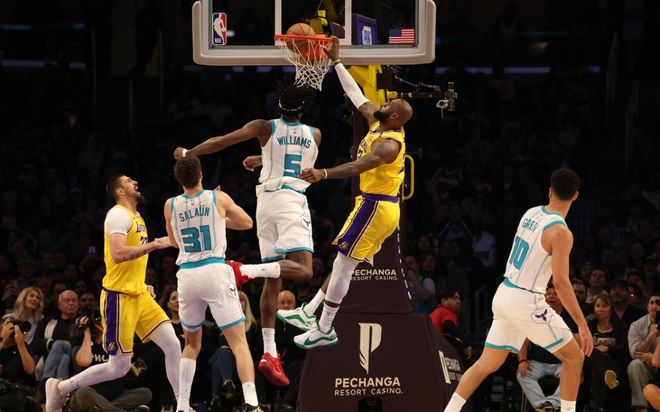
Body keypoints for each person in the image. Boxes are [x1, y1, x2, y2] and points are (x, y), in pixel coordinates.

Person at [173, 81, 320, 387]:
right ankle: (243, 270)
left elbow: (222, 142)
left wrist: (189, 153)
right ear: (305, 109)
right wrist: (266, 158)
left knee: (274, 277)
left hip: (265, 202)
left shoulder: (264, 127)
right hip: (291, 201)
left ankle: (269, 352)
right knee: (304, 271)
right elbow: (300, 168)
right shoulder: (315, 134)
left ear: (279, 105)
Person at [286, 36, 414, 349]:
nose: (381, 105)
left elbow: (359, 165)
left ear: (395, 117)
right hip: (373, 205)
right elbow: (356, 95)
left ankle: (324, 327)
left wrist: (324, 173)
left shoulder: (390, 144)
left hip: (377, 207)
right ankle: (309, 312)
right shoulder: (377, 124)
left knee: (343, 265)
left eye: (387, 106)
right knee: (343, 263)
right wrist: (336, 62)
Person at [443, 168, 593, 412]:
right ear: (576, 195)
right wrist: (582, 325)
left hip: (505, 292)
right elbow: (561, 283)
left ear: (550, 191)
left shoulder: (531, 213)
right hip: (526, 299)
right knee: (574, 357)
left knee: (486, 363)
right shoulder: (561, 232)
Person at [45, 174, 181, 412]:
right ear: (120, 191)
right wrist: (154, 245)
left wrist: (142, 282)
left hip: (139, 294)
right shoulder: (117, 214)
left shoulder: (137, 216)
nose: (135, 181)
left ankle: (183, 404)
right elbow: (118, 254)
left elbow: (132, 263)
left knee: (172, 344)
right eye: (129, 180)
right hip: (119, 297)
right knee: (119, 367)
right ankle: (62, 388)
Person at [164, 154, 262, 412]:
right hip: (214, 270)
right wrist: (219, 218)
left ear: (179, 180)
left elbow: (173, 242)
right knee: (238, 341)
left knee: (191, 344)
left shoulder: (170, 205)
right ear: (201, 175)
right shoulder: (218, 198)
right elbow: (246, 223)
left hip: (187, 274)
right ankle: (252, 402)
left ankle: (182, 405)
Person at [67, 309, 151, 412]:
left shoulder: (118, 344)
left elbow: (128, 364)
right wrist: (86, 332)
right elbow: (84, 361)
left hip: (113, 396)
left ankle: (102, 409)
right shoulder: (81, 340)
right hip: (89, 393)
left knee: (146, 393)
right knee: (83, 393)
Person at [516, 284, 578, 412]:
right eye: (548, 294)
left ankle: (551, 403)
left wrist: (576, 363)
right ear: (543, 297)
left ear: (562, 297)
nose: (551, 296)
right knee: (522, 375)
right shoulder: (535, 315)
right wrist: (522, 360)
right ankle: (544, 405)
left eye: (555, 294)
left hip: (563, 362)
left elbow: (579, 343)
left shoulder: (570, 316)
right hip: (537, 362)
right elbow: (523, 341)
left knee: (576, 375)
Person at [586, 293, 630, 412]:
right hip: (592, 362)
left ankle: (599, 407)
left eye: (604, 306)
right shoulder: (589, 326)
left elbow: (625, 348)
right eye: (597, 305)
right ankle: (608, 373)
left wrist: (608, 348)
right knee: (593, 353)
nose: (600, 309)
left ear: (611, 309)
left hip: (614, 362)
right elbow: (583, 347)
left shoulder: (620, 326)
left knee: (596, 369)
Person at [627, 292, 660, 412]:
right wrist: (651, 335)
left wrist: (653, 357)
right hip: (648, 367)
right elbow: (635, 354)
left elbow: (655, 361)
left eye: (658, 303)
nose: (654, 306)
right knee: (635, 365)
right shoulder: (636, 325)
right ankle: (641, 408)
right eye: (651, 303)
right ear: (647, 306)